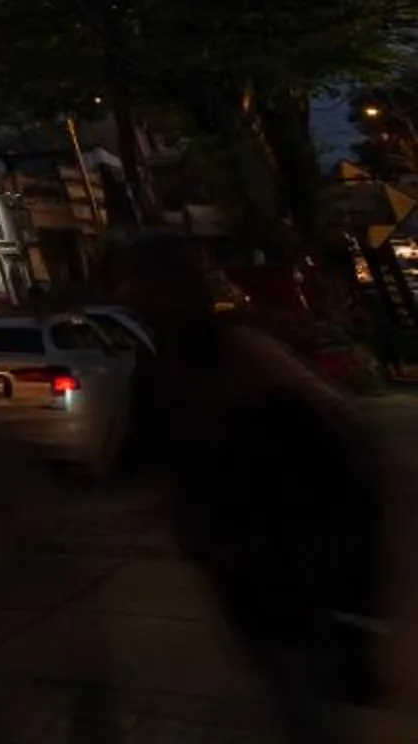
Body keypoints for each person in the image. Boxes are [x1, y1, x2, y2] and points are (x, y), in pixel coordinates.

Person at [118, 237, 390, 736]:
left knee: (295, 652)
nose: (144, 300)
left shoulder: (239, 351)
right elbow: (156, 459)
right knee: (276, 660)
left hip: (281, 532)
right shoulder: (159, 370)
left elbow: (336, 422)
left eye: (151, 288)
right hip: (231, 542)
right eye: (137, 289)